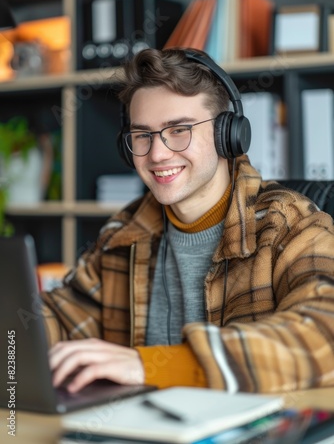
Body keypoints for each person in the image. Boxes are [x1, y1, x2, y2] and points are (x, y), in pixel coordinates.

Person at [43, 47, 334, 396]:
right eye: (142, 135)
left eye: (179, 129)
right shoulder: (126, 231)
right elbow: (63, 318)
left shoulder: (292, 226)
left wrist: (147, 365)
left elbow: (324, 334)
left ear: (228, 135)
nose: (157, 153)